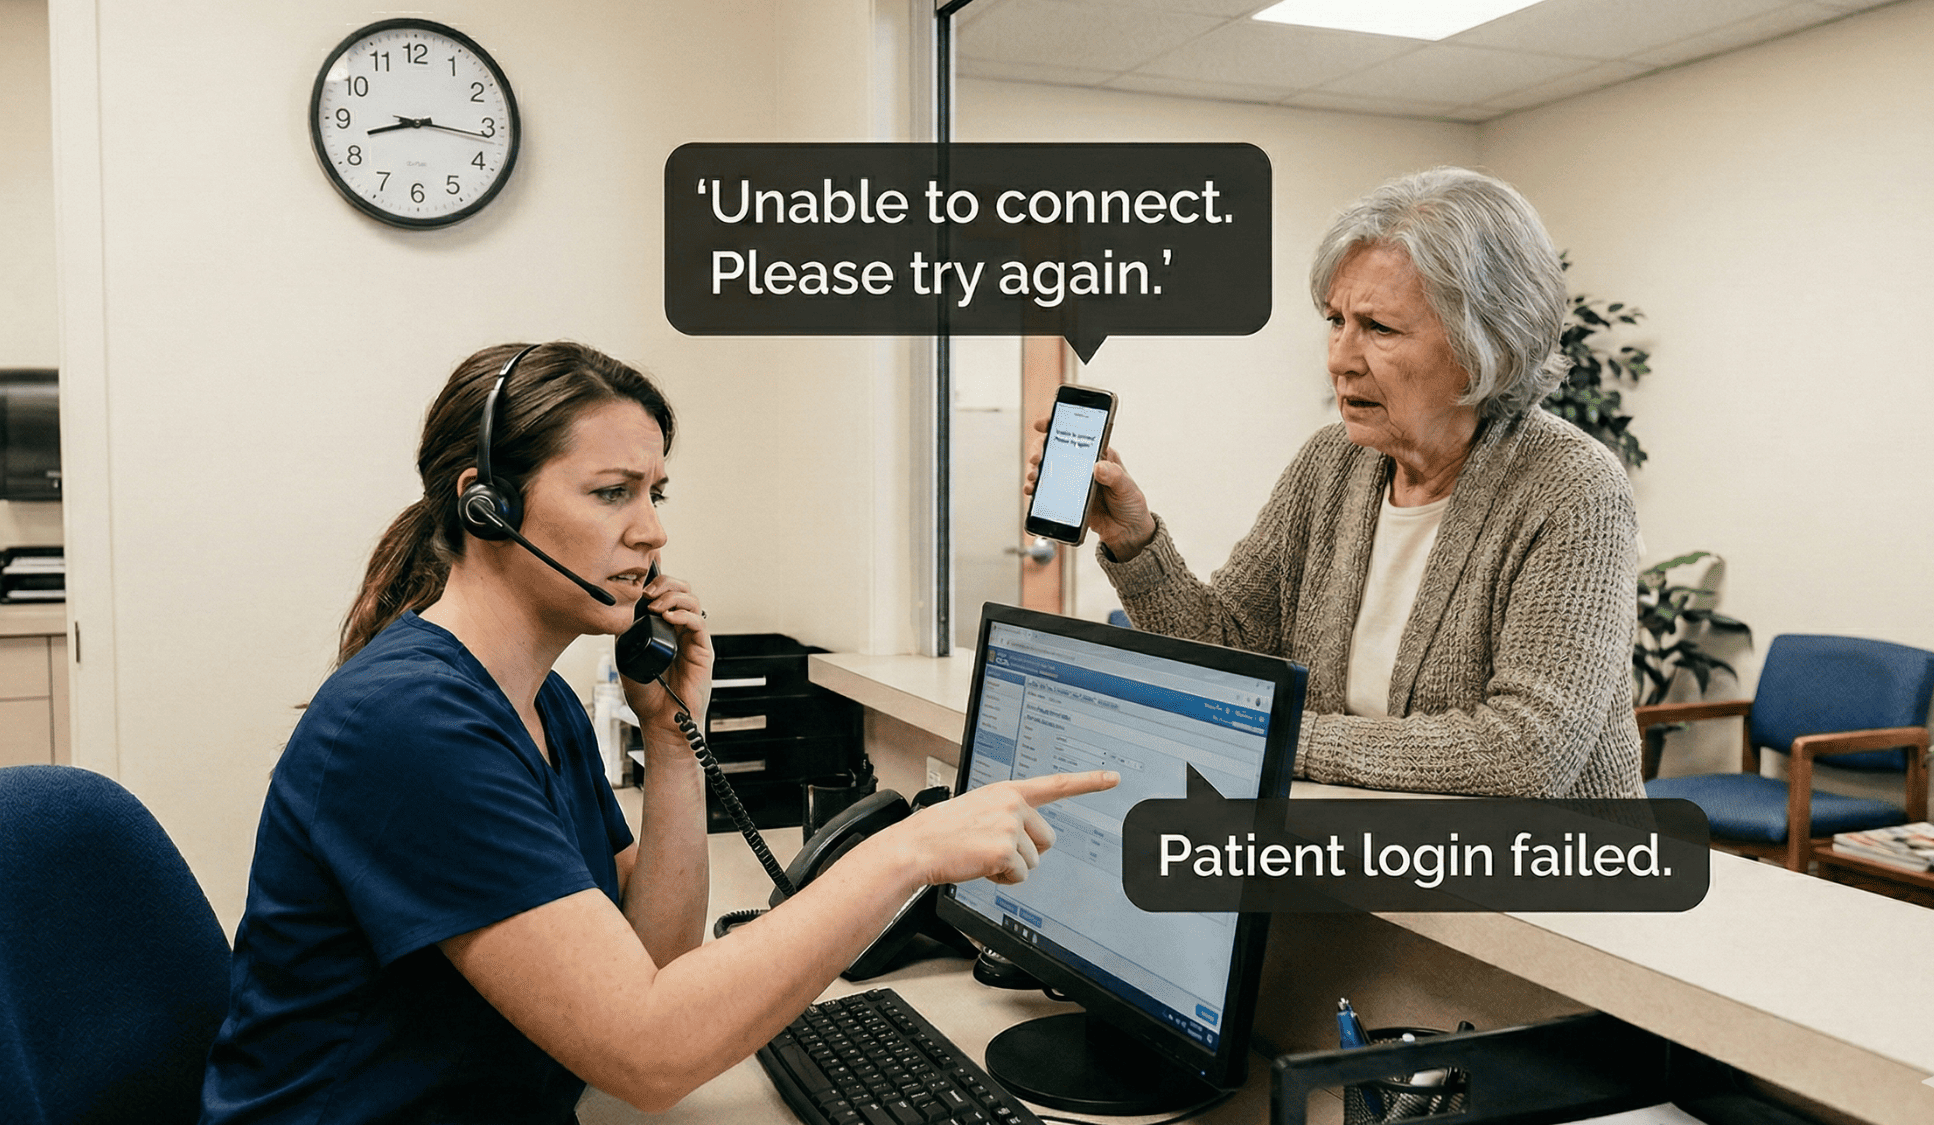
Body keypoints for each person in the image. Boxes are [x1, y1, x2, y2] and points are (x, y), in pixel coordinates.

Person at [199, 341, 1117, 1124]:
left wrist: (674, 738)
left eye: (656, 492)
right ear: (487, 505)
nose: (651, 531)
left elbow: (656, 962)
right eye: (612, 493)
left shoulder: (538, 701)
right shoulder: (412, 722)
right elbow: (649, 1054)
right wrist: (907, 851)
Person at [1036, 167, 1644, 800]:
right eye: (1335, 320)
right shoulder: (1331, 462)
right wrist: (1134, 542)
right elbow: (1229, 648)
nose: (1339, 359)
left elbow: (1523, 754)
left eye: (1379, 328)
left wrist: (1274, 735)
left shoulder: (1573, 487)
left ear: (1484, 347)